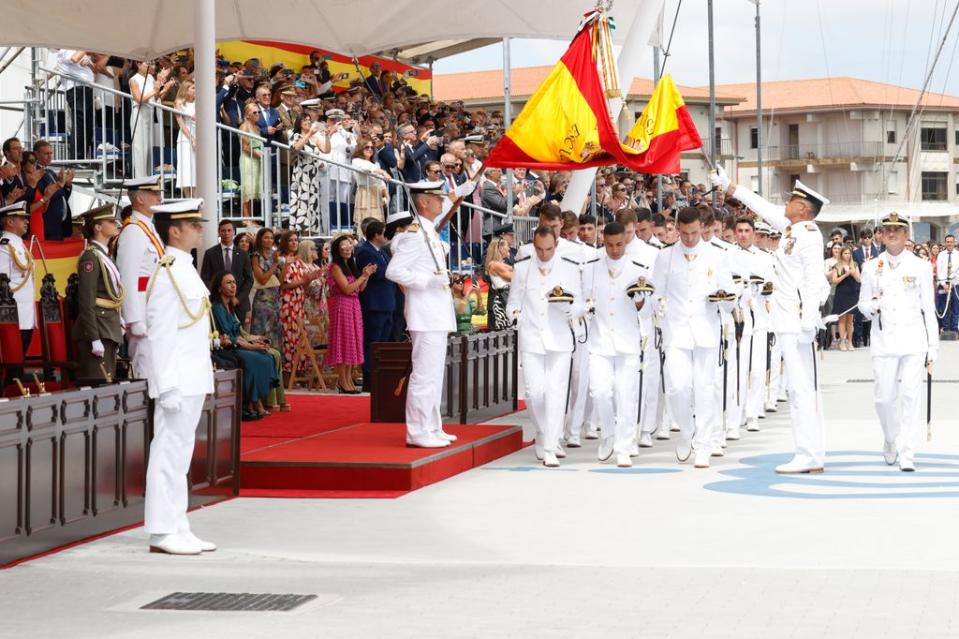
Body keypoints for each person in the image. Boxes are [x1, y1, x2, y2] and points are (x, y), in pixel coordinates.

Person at [713, 167, 830, 474]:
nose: (787, 202)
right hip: (788, 321)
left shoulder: (809, 236)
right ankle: (809, 452)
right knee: (799, 389)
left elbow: (814, 281)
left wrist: (809, 321)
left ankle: (810, 454)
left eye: (793, 200)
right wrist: (731, 186)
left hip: (797, 323)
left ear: (803, 209)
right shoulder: (793, 230)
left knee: (802, 389)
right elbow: (762, 206)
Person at [143, 198, 215, 556]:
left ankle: (178, 524)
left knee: (181, 453)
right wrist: (165, 384)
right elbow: (160, 333)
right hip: (177, 380)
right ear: (175, 231)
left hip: (192, 376)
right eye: (193, 224)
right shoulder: (168, 269)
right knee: (168, 452)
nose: (200, 228)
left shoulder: (185, 267)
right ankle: (160, 529)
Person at [651, 207, 734, 469]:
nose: (689, 238)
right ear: (676, 229)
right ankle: (687, 431)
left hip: (706, 329)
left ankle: (704, 445)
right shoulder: (665, 256)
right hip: (676, 331)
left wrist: (723, 299)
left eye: (694, 233)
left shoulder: (717, 255)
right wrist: (658, 307)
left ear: (702, 228)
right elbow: (656, 292)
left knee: (705, 388)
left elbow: (729, 293)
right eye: (684, 233)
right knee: (676, 386)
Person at [858, 213, 939, 472]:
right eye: (887, 229)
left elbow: (929, 307)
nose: (891, 233)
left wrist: (933, 346)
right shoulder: (871, 266)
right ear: (880, 234)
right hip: (883, 340)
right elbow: (862, 304)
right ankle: (891, 437)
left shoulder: (921, 266)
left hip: (914, 340)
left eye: (897, 229)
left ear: (906, 236)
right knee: (883, 398)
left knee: (910, 396)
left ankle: (908, 451)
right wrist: (873, 307)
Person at [385, 180, 457, 448]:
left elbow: (450, 202)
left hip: (436, 313)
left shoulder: (428, 231)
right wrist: (426, 280)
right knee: (424, 375)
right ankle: (417, 431)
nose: (441, 201)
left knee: (434, 375)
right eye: (436, 198)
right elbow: (394, 271)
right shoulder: (416, 234)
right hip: (425, 314)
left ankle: (431, 425)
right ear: (424, 201)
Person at [506, 226, 585, 467]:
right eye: (539, 249)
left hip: (559, 337)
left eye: (548, 249)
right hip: (531, 336)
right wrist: (515, 316)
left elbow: (580, 305)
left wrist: (568, 308)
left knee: (556, 392)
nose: (543, 254)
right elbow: (513, 302)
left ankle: (551, 444)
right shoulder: (521, 268)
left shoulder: (570, 268)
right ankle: (543, 432)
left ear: (556, 245)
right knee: (533, 391)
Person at [585, 222, 650, 468]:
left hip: (627, 341)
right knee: (600, 392)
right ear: (603, 242)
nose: (614, 250)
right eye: (610, 245)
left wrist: (642, 301)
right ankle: (608, 434)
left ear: (626, 242)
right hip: (599, 341)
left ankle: (623, 447)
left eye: (619, 245)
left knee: (626, 396)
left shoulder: (638, 268)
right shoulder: (591, 268)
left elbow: (647, 310)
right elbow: (583, 299)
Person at [211, 271, 279, 420]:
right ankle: (253, 402)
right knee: (256, 359)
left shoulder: (230, 307)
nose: (233, 285)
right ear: (219, 288)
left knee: (267, 356)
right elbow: (230, 337)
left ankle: (256, 401)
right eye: (228, 282)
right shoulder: (217, 308)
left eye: (234, 282)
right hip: (226, 348)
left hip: (238, 345)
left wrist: (253, 342)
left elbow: (240, 333)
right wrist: (251, 346)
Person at [115, 175, 165, 379]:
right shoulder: (133, 231)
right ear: (140, 199)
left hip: (156, 309)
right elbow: (128, 278)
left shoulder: (148, 228)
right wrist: (134, 319)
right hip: (144, 313)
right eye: (153, 193)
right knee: (145, 369)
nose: (158, 197)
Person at [73, 205, 124, 385]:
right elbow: (86, 301)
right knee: (98, 387)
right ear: (98, 227)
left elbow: (112, 294)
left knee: (106, 385)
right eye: (110, 221)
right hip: (97, 329)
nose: (116, 224)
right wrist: (94, 337)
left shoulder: (103, 255)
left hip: (108, 326)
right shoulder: (91, 257)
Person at [327, 234, 374, 393]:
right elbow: (347, 288)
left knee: (351, 343)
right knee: (343, 342)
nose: (347, 249)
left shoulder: (350, 264)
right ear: (337, 250)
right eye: (344, 247)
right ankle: (342, 381)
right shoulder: (335, 267)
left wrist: (365, 276)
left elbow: (360, 288)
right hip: (342, 304)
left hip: (354, 305)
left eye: (349, 247)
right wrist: (363, 276)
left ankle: (348, 380)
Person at [355, 220, 396, 391]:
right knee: (373, 343)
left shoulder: (381, 252)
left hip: (386, 302)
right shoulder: (365, 250)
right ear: (376, 235)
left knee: (383, 342)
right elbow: (379, 273)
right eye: (383, 232)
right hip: (374, 304)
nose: (386, 236)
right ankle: (370, 380)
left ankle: (379, 377)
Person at [278, 231, 322, 378]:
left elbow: (303, 283)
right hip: (287, 302)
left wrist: (311, 278)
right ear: (285, 242)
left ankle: (298, 370)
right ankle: (287, 372)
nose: (294, 243)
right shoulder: (281, 259)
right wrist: (305, 280)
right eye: (290, 240)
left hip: (299, 302)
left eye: (296, 240)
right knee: (288, 337)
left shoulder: (298, 261)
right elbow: (282, 284)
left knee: (298, 337)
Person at [0, 202, 35, 377]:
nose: (26, 222)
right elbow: (2, 282)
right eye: (22, 219)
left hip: (25, 313)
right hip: (12, 314)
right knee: (12, 364)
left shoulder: (18, 244)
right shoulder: (5, 246)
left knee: (19, 360)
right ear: (10, 222)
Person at [200, 220, 254, 323]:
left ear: (234, 232)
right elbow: (205, 278)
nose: (226, 233)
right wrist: (218, 296)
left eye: (229, 230)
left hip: (239, 304)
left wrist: (238, 299)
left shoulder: (243, 254)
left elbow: (249, 280)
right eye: (223, 231)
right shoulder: (210, 253)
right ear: (218, 232)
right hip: (217, 304)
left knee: (243, 337)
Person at [288, 113, 329, 236]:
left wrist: (327, 136)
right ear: (299, 122)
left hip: (313, 176)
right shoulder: (295, 135)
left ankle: (311, 233)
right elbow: (295, 148)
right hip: (301, 175)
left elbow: (326, 150)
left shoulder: (315, 138)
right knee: (303, 204)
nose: (308, 122)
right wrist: (309, 134)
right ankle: (302, 233)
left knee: (312, 204)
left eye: (309, 120)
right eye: (305, 120)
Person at [129, 60, 171, 179]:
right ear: (138, 64)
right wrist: (155, 89)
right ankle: (140, 179)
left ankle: (147, 177)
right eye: (147, 64)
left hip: (149, 112)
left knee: (148, 148)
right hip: (139, 113)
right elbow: (139, 98)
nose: (151, 66)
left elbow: (155, 97)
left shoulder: (150, 78)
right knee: (140, 148)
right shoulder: (134, 79)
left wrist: (163, 87)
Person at [351, 137, 390, 224]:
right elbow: (366, 168)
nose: (370, 149)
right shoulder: (356, 161)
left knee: (378, 223)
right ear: (361, 148)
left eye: (372, 147)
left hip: (377, 193)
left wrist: (386, 194)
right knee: (366, 223)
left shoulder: (375, 163)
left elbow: (380, 181)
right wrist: (383, 172)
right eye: (367, 147)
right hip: (365, 193)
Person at [829, 246, 861, 351]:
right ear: (841, 254)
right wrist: (844, 275)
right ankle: (842, 342)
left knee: (850, 320)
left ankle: (850, 342)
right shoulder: (836, 266)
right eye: (845, 253)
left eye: (848, 253)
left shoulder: (854, 265)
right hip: (842, 293)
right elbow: (834, 281)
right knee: (842, 320)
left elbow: (859, 279)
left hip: (852, 293)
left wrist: (852, 273)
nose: (847, 255)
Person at [239, 103, 264, 223]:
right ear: (247, 114)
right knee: (248, 188)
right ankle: (246, 218)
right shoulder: (244, 126)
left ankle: (251, 217)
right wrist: (258, 154)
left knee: (254, 188)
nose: (257, 114)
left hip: (257, 160)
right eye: (254, 112)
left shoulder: (257, 127)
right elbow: (245, 147)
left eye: (259, 112)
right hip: (248, 160)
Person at [484, 236, 513, 331]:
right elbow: (513, 277)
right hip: (502, 301)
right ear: (500, 248)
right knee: (505, 334)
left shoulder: (499, 263)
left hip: (506, 298)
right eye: (507, 246)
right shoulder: (494, 265)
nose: (509, 248)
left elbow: (515, 269)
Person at [174, 79, 197, 197]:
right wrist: (191, 138)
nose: (195, 90)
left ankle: (196, 198)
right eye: (193, 88)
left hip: (198, 135)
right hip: (185, 137)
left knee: (196, 169)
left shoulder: (199, 103)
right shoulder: (179, 103)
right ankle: (189, 198)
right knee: (186, 168)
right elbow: (181, 123)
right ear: (186, 90)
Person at [935, 235, 959, 338]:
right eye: (947, 241)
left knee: (955, 308)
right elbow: (939, 270)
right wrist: (943, 284)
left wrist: (953, 283)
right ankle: (945, 329)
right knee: (943, 307)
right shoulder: (941, 255)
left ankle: (954, 330)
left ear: (954, 243)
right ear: (945, 243)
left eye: (951, 241)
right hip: (943, 285)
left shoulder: (958, 255)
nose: (949, 243)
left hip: (955, 285)